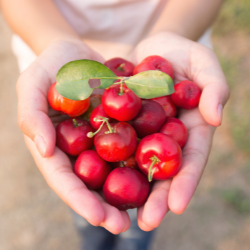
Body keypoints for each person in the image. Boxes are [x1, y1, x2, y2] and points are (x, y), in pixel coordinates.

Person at [0, 0, 230, 249]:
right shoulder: (97, 114)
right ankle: (93, 238)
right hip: (68, 66)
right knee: (88, 204)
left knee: (143, 212)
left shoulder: (142, 117)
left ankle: (132, 241)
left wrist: (174, 32)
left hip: (173, 44)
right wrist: (51, 41)